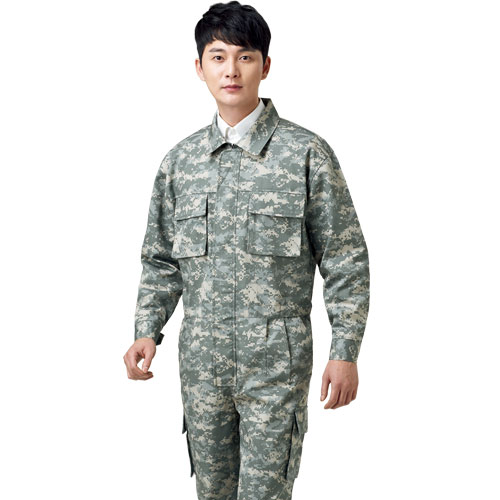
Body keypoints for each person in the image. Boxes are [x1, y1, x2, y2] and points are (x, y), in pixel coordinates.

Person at [123, 2, 370, 498]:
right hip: (202, 368)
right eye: (217, 57)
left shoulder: (305, 154)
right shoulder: (180, 163)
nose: (231, 70)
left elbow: (345, 260)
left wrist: (345, 352)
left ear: (266, 65)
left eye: (245, 56)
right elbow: (161, 261)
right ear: (200, 68)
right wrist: (146, 329)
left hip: (275, 370)